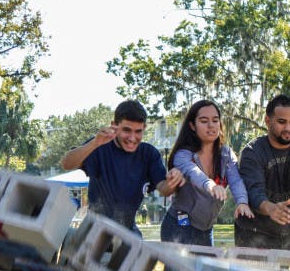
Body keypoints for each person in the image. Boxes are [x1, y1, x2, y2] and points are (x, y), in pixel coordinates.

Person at [60, 99, 184, 234]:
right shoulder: (100, 146)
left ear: (144, 128)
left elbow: (164, 189)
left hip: (128, 229)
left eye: (138, 131)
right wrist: (94, 144)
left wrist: (173, 180)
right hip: (94, 228)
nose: (132, 138)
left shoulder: (149, 154)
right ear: (114, 126)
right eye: (126, 130)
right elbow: (67, 163)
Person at [235, 94, 290, 251]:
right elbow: (253, 191)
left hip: (287, 232)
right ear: (268, 121)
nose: (288, 128)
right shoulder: (252, 151)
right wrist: (270, 208)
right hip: (252, 231)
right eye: (282, 122)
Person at [160, 99, 253, 246]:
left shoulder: (226, 154)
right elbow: (194, 173)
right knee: (178, 270)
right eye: (204, 121)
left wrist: (242, 202)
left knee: (208, 269)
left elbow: (235, 180)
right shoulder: (182, 155)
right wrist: (211, 185)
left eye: (215, 120)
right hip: (178, 227)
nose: (211, 126)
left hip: (205, 230)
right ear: (192, 126)